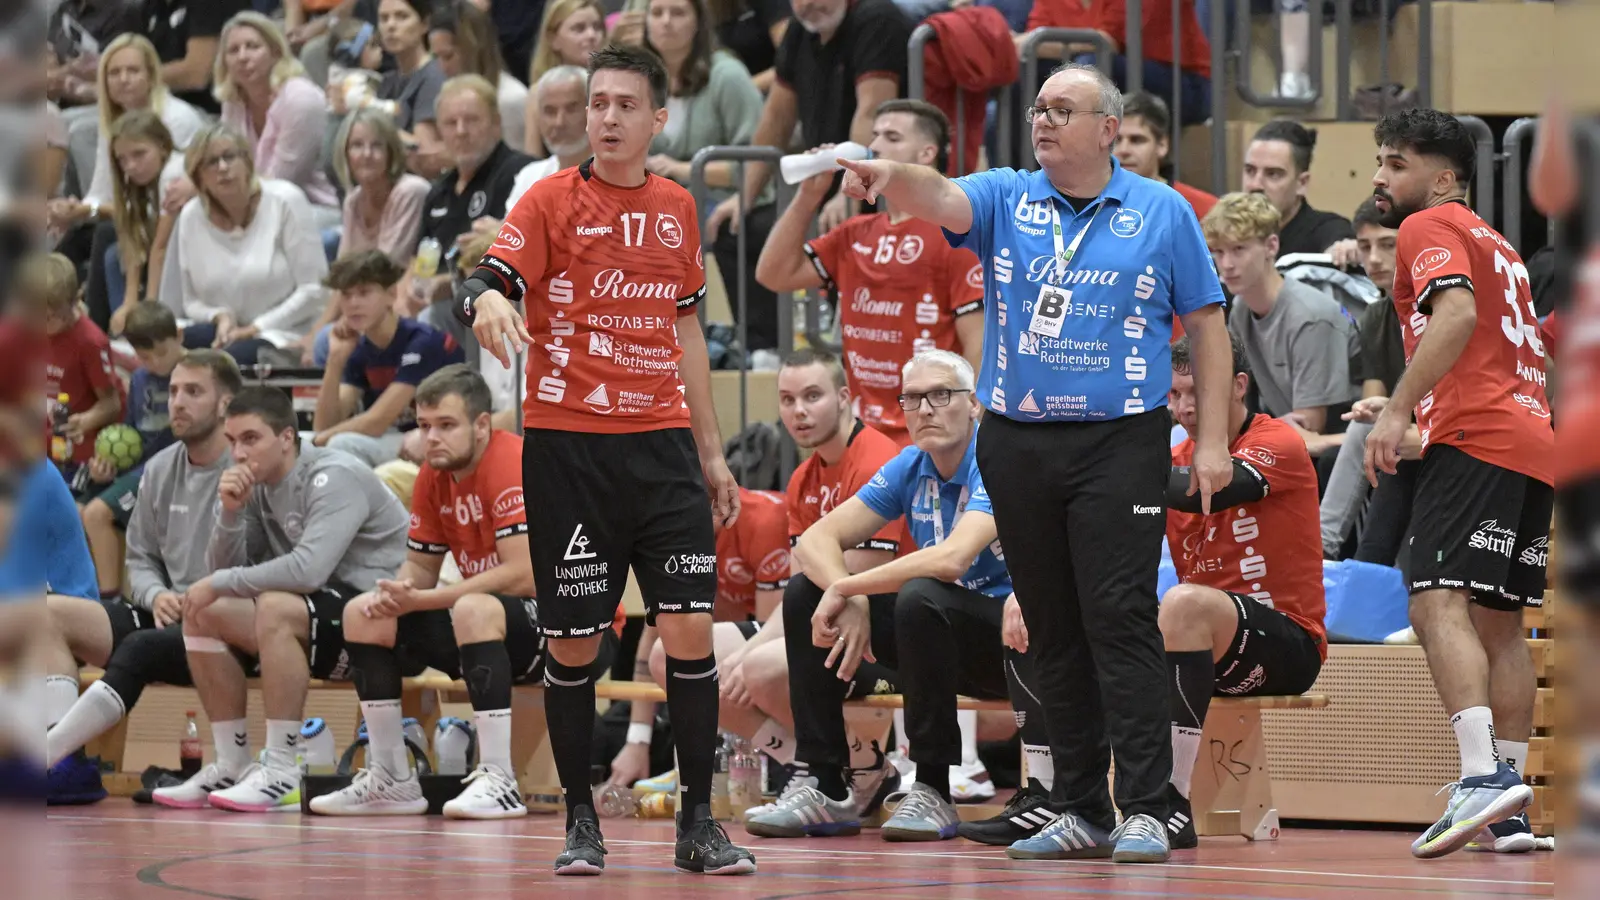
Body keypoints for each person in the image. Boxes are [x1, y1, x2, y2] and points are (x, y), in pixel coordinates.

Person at [831, 61, 1233, 864]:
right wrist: (890, 173)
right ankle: (1079, 806)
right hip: (1017, 439)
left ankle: (1147, 806)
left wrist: (1214, 439)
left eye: (1061, 110)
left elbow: (1207, 326)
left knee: (1118, 615)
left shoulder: (1161, 210)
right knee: (1050, 624)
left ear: (1109, 129)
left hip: (1120, 438)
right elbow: (940, 194)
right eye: (1038, 109)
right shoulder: (1008, 196)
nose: (1042, 121)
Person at [459, 43, 756, 876]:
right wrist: (485, 299)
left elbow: (686, 329)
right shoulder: (549, 199)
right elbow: (485, 278)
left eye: (626, 104)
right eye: (598, 103)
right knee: (575, 646)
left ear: (658, 118)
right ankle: (580, 822)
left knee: (689, 629)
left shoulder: (677, 206)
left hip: (662, 450)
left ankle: (698, 823)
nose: (608, 117)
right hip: (571, 453)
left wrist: (712, 455)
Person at [747, 350, 1053, 846]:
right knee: (806, 591)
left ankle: (932, 787)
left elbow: (952, 559)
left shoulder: (998, 459)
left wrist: (851, 587)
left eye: (941, 395)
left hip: (1015, 643)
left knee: (920, 594)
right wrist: (850, 597)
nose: (925, 409)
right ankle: (825, 783)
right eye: (912, 399)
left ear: (974, 404)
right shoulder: (910, 465)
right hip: (934, 640)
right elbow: (815, 540)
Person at [309, 365, 622, 818]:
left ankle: (499, 779)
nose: (431, 438)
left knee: (473, 609)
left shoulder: (511, 461)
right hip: (489, 624)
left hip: (579, 629)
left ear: (481, 425)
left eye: (446, 425)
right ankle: (391, 778)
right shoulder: (433, 475)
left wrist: (426, 600)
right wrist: (399, 591)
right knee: (364, 613)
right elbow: (421, 567)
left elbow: (524, 575)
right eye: (424, 426)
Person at [1367, 108, 1550, 858]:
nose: (1380, 177)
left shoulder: (1428, 224)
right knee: (1501, 622)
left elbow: (1456, 316)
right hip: (1533, 441)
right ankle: (1508, 811)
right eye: (1380, 161)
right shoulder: (1500, 244)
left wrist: (1398, 410)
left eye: (1396, 163)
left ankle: (1480, 780)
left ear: (1443, 177)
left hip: (1476, 437)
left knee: (1433, 599)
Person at [159, 386, 409, 812]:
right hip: (328, 615)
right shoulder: (258, 485)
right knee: (203, 610)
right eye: (232, 441)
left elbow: (309, 570)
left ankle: (280, 767)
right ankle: (232, 762)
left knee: (272, 606)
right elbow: (225, 571)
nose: (238, 453)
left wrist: (219, 581)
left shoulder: (334, 474)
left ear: (287, 437)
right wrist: (230, 512)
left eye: (250, 439)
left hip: (382, 622)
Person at [1152, 335, 1326, 851]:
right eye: (1173, 394)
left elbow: (1213, 488)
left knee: (1184, 602)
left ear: (1238, 386)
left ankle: (1170, 803)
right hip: (1202, 650)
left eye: (1196, 391)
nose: (1184, 407)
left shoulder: (1278, 441)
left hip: (1288, 645)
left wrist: (1114, 470)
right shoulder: (1170, 462)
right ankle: (1064, 800)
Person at [43, 351, 242, 784]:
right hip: (167, 613)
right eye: (173, 391)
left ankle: (47, 757)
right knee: (45, 614)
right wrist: (156, 594)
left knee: (141, 647)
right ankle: (65, 767)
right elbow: (140, 557)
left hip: (227, 625)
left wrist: (201, 597)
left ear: (225, 403)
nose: (178, 402)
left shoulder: (249, 470)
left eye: (193, 392)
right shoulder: (160, 466)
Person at [757, 99, 984, 445]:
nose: (875, 145)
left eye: (892, 137)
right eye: (875, 135)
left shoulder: (954, 235)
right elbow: (773, 274)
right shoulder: (855, 233)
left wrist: (967, 429)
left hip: (926, 437)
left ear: (926, 154)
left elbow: (977, 343)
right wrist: (808, 196)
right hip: (862, 435)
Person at [606, 482, 789, 794]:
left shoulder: (764, 522)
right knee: (670, 655)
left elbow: (769, 634)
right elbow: (656, 635)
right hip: (742, 615)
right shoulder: (672, 535)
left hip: (796, 621)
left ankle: (785, 760)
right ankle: (777, 756)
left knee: (752, 667)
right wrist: (637, 741)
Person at [705, 0, 908, 238]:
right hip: (829, 186)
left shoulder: (877, 20)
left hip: (885, 189)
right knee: (732, 231)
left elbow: (872, 113)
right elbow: (776, 118)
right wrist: (744, 196)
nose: (808, 3)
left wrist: (851, 192)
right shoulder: (799, 30)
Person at [641, 0, 774, 350]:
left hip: (727, 200)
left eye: (678, 13)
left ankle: (745, 345)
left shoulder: (727, 76)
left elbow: (757, 163)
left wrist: (683, 169)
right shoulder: (639, 80)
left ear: (699, 22)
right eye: (657, 13)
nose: (666, 22)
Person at [159, 122, 330, 366]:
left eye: (229, 157)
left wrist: (255, 328)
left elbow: (314, 290)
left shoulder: (285, 201)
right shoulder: (191, 216)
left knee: (224, 364)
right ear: (198, 176)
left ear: (247, 162)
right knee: (166, 351)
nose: (223, 167)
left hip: (282, 331)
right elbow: (191, 302)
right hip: (227, 330)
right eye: (211, 162)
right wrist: (220, 316)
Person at [1204, 191, 1359, 457]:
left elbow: (1309, 428)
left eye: (1239, 249)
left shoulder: (1309, 316)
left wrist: (1256, 428)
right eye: (1218, 252)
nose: (1226, 265)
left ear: (1271, 246)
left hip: (1341, 449)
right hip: (1287, 437)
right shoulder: (1241, 308)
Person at [312, 251, 466, 466]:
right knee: (306, 441)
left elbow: (376, 421)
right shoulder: (358, 348)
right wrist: (335, 359)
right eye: (346, 295)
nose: (353, 303)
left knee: (342, 444)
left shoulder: (423, 341)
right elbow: (323, 426)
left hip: (437, 438)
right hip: (394, 438)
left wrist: (316, 442)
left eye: (364, 293)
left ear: (391, 294)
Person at [78, 303, 187, 603]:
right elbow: (131, 433)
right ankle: (89, 591)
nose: (155, 363)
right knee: (76, 509)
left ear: (179, 336)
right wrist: (108, 464)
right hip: (139, 471)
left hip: (169, 472)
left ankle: (110, 602)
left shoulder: (195, 374)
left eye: (161, 353)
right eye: (144, 357)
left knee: (97, 514)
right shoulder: (140, 379)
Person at [412, 75, 532, 316]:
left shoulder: (522, 174)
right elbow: (415, 263)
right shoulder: (438, 192)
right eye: (450, 123)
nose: (461, 131)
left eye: (472, 120)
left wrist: (448, 284)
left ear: (496, 122)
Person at [216, 13, 339, 212]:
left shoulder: (300, 99)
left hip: (316, 208)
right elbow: (227, 161)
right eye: (233, 50)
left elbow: (281, 183)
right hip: (255, 202)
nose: (242, 57)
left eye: (252, 47)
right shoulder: (233, 100)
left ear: (275, 52)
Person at [28, 252, 122, 496]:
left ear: (75, 301)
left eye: (49, 318)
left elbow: (111, 404)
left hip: (75, 453)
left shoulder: (90, 342)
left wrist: (85, 420)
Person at [99, 111, 189, 334]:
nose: (130, 166)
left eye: (139, 154)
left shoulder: (173, 173)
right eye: (122, 159)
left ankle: (140, 334)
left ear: (162, 146)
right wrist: (129, 303)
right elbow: (134, 242)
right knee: (115, 255)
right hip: (169, 253)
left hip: (189, 256)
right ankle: (125, 332)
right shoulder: (138, 182)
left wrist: (149, 308)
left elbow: (161, 247)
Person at [1241, 119, 1357, 264]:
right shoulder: (1227, 231)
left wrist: (1344, 250)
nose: (1255, 185)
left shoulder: (1326, 229)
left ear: (1302, 183)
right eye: (1250, 171)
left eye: (1273, 174)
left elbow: (1341, 244)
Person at [333, 108, 433, 265]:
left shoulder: (410, 191)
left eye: (377, 145)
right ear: (345, 153)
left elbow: (388, 267)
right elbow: (343, 266)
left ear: (390, 153)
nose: (367, 154)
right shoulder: (353, 201)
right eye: (357, 145)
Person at [430, 0, 530, 153]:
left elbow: (517, 160)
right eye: (436, 57)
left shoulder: (510, 98)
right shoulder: (444, 94)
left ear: (473, 49)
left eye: (448, 56)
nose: (442, 67)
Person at [1113, 91, 1215, 220]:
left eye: (1137, 140)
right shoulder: (1090, 204)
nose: (1124, 150)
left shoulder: (1203, 210)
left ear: (1162, 145)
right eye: (1115, 140)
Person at [372, 0, 447, 172]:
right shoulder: (386, 81)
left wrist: (371, 122)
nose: (391, 26)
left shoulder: (434, 76)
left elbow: (425, 155)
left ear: (424, 24)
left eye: (402, 16)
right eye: (384, 18)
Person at [525, 0, 605, 156]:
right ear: (553, 39)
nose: (591, 35)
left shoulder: (615, 87)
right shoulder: (538, 93)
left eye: (597, 27)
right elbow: (533, 157)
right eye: (579, 29)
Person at [145, 0, 254, 115]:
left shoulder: (210, 4)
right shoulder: (154, 5)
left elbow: (196, 74)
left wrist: (142, 79)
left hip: (213, 112)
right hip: (166, 102)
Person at [504, 66, 590, 207]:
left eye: (571, 109)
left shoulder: (616, 175)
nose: (559, 122)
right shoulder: (530, 177)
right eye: (550, 111)